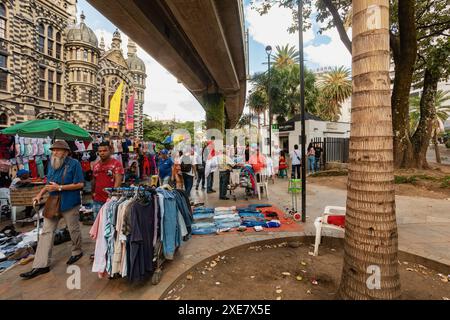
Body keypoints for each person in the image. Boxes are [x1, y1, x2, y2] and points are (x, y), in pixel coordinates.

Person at [20, 140, 84, 280]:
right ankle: (41, 265)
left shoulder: (74, 164)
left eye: (57, 150)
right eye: (53, 150)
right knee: (46, 232)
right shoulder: (52, 163)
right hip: (53, 202)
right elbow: (49, 183)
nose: (54, 152)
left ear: (66, 152)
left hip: (70, 202)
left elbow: (80, 184)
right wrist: (39, 194)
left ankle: (77, 251)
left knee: (73, 229)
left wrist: (60, 188)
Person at [91, 142, 124, 221]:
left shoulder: (116, 164)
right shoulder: (96, 165)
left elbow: (118, 182)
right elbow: (94, 180)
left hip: (110, 200)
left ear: (110, 151)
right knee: (97, 224)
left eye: (104, 151)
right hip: (97, 200)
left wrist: (112, 196)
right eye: (100, 151)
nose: (102, 153)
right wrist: (92, 192)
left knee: (109, 226)